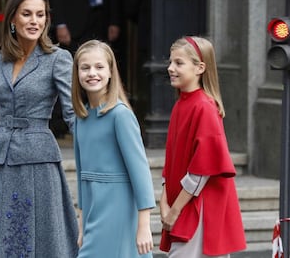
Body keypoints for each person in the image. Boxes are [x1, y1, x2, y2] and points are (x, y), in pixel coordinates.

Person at [0, 0, 78, 257]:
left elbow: (73, 113)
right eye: (27, 14)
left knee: (37, 242)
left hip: (38, 163)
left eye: (40, 15)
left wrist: (99, 148)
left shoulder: (58, 59)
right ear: (13, 19)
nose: (34, 21)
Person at [159, 36, 247, 257]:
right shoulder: (182, 104)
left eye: (179, 63)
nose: (171, 68)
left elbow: (201, 170)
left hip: (200, 208)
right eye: (170, 62)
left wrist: (174, 210)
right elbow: (172, 161)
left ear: (200, 68)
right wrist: (163, 202)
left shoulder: (204, 107)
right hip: (185, 203)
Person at [72, 39, 155, 257]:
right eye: (85, 67)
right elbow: (82, 176)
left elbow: (141, 173)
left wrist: (144, 225)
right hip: (92, 212)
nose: (92, 73)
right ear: (77, 73)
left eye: (99, 67)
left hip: (117, 210)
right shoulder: (81, 118)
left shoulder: (120, 115)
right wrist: (81, 224)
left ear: (110, 72)